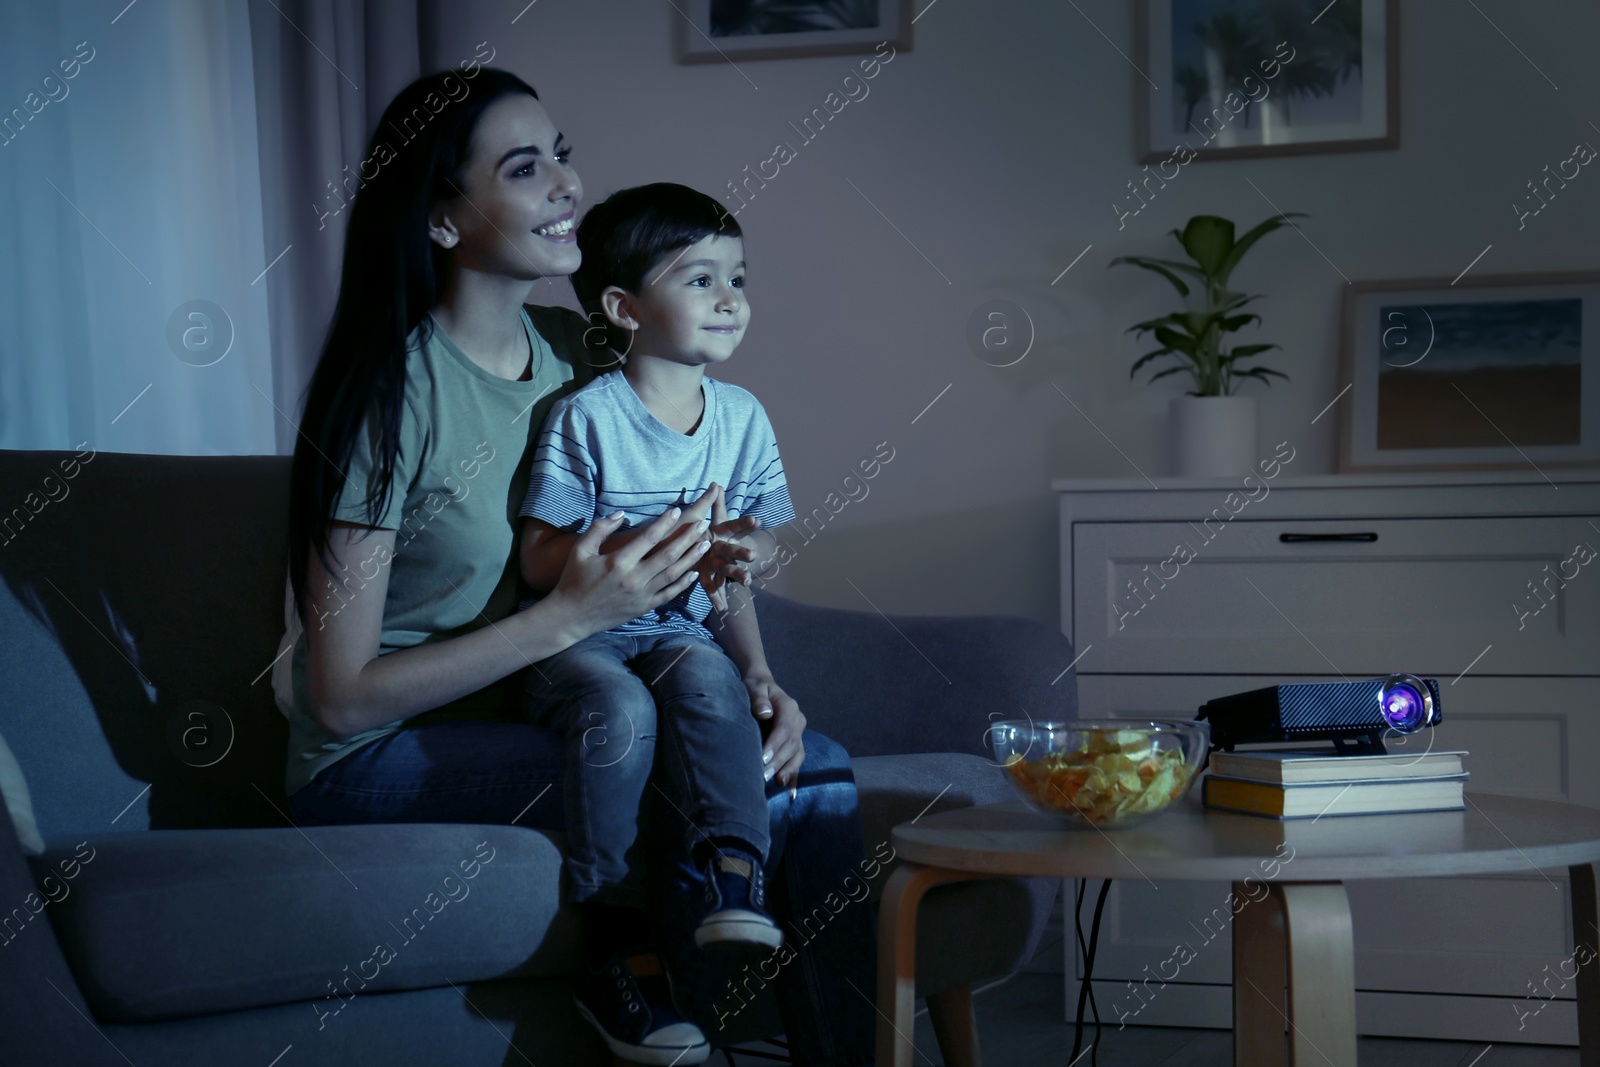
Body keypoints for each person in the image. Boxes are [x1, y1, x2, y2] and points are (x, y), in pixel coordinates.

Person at [269, 68, 875, 1066]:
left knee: (807, 766)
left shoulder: (583, 357)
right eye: (522, 166)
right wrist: (566, 617)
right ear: (440, 219)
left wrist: (758, 680)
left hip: (555, 699)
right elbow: (337, 701)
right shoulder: (386, 399)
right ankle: (629, 963)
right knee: (660, 753)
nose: (565, 183)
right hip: (386, 752)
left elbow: (700, 536)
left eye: (561, 152)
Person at [516, 183, 801, 1053]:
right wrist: (641, 545)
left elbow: (748, 561)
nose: (729, 298)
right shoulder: (585, 417)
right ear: (624, 307)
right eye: (700, 278)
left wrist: (756, 625)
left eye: (738, 277)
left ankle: (733, 880)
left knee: (710, 681)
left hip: (680, 632)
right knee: (619, 709)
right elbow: (536, 557)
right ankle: (615, 935)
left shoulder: (743, 417)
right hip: (580, 635)